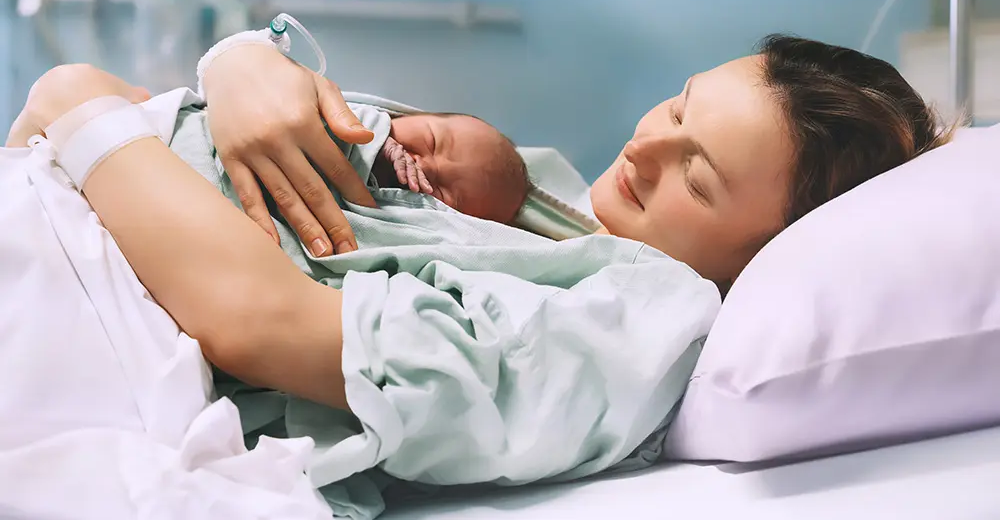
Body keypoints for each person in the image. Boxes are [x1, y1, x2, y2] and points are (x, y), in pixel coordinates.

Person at [5, 34, 954, 517]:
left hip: (97, 287)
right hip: (79, 201)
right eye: (677, 105)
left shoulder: (631, 334)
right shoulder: (570, 209)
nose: (646, 144)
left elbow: (263, 319)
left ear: (766, 255)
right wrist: (242, 64)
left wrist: (77, 101)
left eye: (696, 177)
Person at [372, 113, 531, 225]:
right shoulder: (354, 113)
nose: (425, 168)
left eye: (444, 195)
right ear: (401, 115)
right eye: (432, 142)